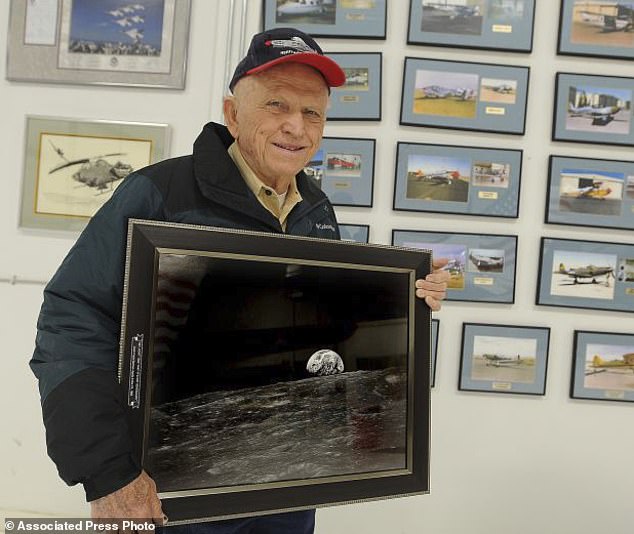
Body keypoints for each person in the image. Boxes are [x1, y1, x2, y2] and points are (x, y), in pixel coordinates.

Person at [30, 28, 449, 534]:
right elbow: (70, 324)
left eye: (313, 112)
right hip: (168, 491)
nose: (296, 126)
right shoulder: (159, 193)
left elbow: (328, 329)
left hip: (286, 486)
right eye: (277, 105)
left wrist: (410, 301)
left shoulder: (315, 210)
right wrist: (107, 474)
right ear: (233, 113)